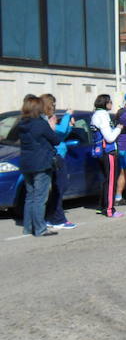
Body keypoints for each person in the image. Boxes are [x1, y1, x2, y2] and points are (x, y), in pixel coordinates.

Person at [18, 96, 62, 237]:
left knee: (30, 196)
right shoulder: (40, 124)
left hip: (26, 163)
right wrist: (52, 127)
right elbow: (55, 140)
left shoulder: (21, 124)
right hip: (41, 163)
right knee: (40, 198)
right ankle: (40, 229)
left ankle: (28, 227)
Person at [40, 94, 77, 230]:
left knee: (60, 187)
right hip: (55, 156)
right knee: (59, 186)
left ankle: (53, 216)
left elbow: (62, 135)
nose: (55, 106)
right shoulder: (46, 118)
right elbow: (58, 132)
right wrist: (67, 116)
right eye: (53, 104)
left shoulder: (50, 117)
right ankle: (58, 218)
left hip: (60, 153)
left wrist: (70, 125)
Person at [90, 94, 124, 218]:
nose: (111, 104)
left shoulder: (95, 114)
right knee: (111, 181)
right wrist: (119, 128)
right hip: (107, 151)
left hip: (100, 151)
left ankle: (102, 206)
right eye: (110, 102)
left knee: (105, 180)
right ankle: (110, 209)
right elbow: (109, 138)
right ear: (105, 103)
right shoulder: (103, 115)